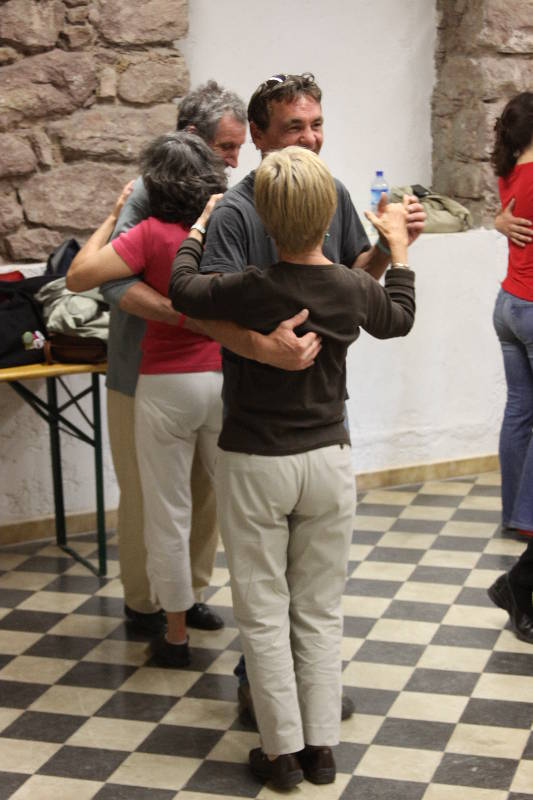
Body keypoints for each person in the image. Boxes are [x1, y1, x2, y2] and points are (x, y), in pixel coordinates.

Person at [169, 145, 416, 788]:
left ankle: (279, 753)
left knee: (262, 607)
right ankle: (322, 749)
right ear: (330, 212)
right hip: (329, 460)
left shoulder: (254, 287)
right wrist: (402, 252)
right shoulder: (351, 285)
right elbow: (400, 319)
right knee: (319, 608)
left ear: (266, 220)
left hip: (255, 461)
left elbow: (183, 290)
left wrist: (199, 229)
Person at [196, 71, 426, 724]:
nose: (310, 137)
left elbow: (351, 281)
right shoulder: (239, 211)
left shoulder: (331, 190)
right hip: (259, 423)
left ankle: (307, 699)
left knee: (311, 582)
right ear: (260, 134)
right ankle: (262, 692)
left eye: (316, 123)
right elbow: (202, 308)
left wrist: (389, 246)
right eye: (294, 126)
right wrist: (262, 348)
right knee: (264, 585)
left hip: (323, 422)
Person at [100, 80, 295, 638]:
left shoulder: (229, 196)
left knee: (206, 496)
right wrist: (191, 316)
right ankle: (146, 604)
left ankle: (189, 596)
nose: (236, 159)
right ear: (191, 137)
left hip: (212, 373)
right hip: (142, 372)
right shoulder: (145, 196)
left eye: (239, 147)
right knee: (147, 497)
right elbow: (113, 286)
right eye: (228, 147)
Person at [67, 132, 228, 666]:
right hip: (226, 380)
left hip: (164, 385)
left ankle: (175, 635)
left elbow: (78, 276)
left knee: (167, 513)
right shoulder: (230, 229)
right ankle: (262, 633)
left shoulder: (152, 234)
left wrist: (114, 216)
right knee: (240, 512)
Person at [487, 92, 533, 645]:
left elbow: (509, 220)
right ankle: (527, 519)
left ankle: (514, 512)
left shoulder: (508, 173)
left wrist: (499, 222)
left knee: (520, 412)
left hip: (508, 305)